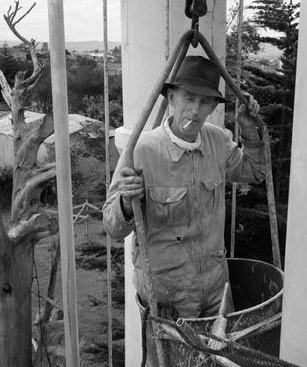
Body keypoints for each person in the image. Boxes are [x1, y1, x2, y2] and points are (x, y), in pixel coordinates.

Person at [103, 55, 265, 319]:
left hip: (216, 288)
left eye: (204, 102)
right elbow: (112, 227)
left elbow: (255, 172)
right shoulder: (141, 151)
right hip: (167, 296)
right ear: (172, 98)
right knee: (172, 362)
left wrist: (248, 128)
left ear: (213, 106)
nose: (195, 110)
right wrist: (124, 202)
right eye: (189, 98)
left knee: (220, 358)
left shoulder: (217, 141)